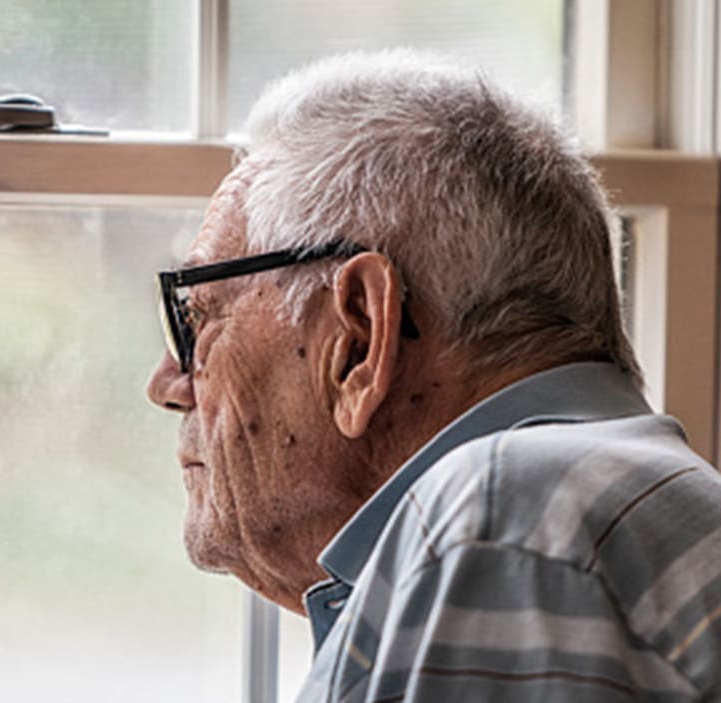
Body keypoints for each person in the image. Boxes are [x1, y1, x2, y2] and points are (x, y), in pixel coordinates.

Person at [146, 50, 721, 702]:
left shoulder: (506, 526)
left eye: (197, 318)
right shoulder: (579, 510)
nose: (168, 381)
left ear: (359, 338)